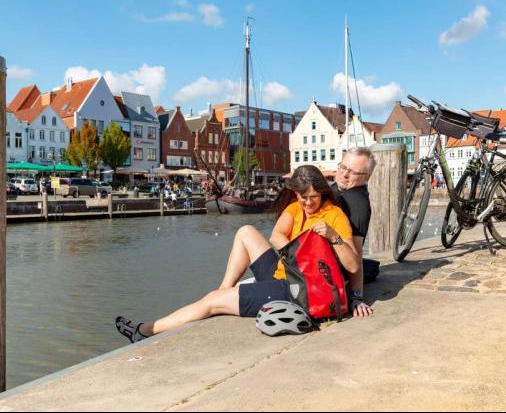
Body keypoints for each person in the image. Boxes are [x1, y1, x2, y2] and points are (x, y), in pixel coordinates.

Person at [115, 165, 361, 343]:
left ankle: (145, 330)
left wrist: (332, 236)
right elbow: (276, 236)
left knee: (211, 302)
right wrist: (297, 248)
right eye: (302, 197)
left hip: (299, 290)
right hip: (286, 271)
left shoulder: (334, 216)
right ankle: (225, 289)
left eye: (313, 198)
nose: (307, 203)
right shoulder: (296, 208)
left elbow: (352, 266)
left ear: (322, 193)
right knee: (245, 231)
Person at [331, 147, 378, 318]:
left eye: (352, 172)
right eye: (343, 167)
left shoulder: (358, 204)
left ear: (366, 177)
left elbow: (355, 253)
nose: (344, 174)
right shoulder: (338, 189)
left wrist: (356, 296)